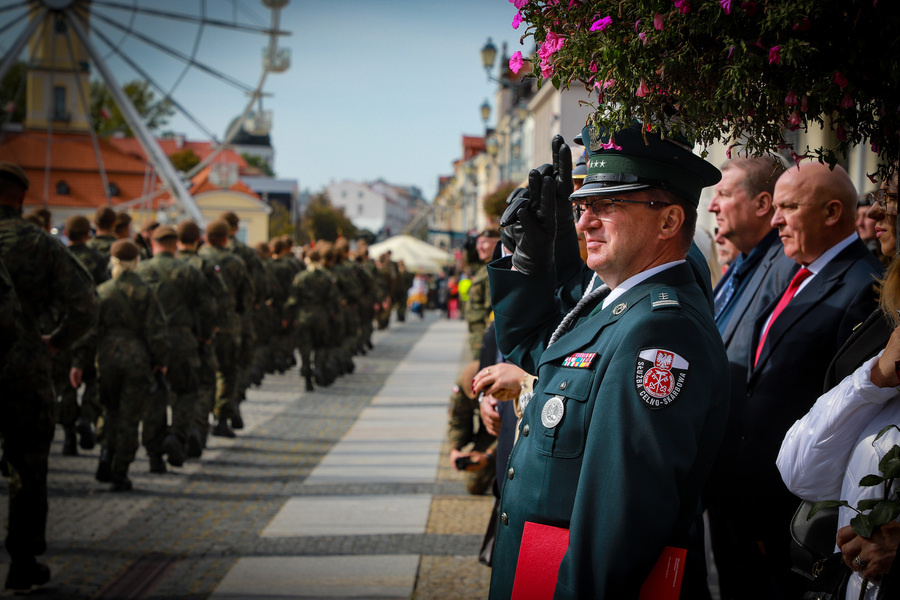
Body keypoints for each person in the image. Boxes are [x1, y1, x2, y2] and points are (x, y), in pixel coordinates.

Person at [486, 124, 729, 599]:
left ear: (669, 222)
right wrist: (531, 264)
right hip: (540, 565)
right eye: (583, 206)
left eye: (608, 205)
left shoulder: (659, 328)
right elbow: (542, 354)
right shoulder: (621, 303)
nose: (583, 223)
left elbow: (618, 525)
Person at [711, 160, 884, 599]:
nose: (775, 220)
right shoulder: (795, 273)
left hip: (792, 516)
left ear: (831, 213)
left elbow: (847, 414)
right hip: (745, 499)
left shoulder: (865, 287)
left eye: (788, 207)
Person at [777, 169, 900, 600]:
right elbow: (799, 469)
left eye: (894, 197)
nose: (877, 209)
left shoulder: (859, 284)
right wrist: (875, 377)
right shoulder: (886, 312)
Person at [0, 161, 97, 591]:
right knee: (27, 463)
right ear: (21, 199)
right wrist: (55, 341)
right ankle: (22, 560)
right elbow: (86, 305)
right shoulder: (39, 244)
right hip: (23, 364)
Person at [136, 225, 216, 468]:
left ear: (153, 243)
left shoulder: (140, 271)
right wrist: (204, 337)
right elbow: (207, 308)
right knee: (187, 391)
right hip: (182, 340)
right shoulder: (190, 271)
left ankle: (153, 454)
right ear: (174, 244)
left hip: (149, 342)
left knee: (154, 396)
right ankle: (177, 435)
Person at [199, 219, 253, 438]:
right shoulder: (236, 262)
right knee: (228, 372)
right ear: (226, 238)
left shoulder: (198, 260)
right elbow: (246, 297)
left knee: (204, 374)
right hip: (228, 326)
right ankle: (222, 418)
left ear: (205, 237)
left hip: (203, 327)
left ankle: (200, 421)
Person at [465, 228, 501, 360]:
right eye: (478, 243)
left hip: (484, 337)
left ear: (497, 243)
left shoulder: (494, 271)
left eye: (484, 243)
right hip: (477, 334)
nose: (479, 247)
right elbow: (470, 260)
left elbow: (491, 310)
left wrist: (486, 340)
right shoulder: (483, 268)